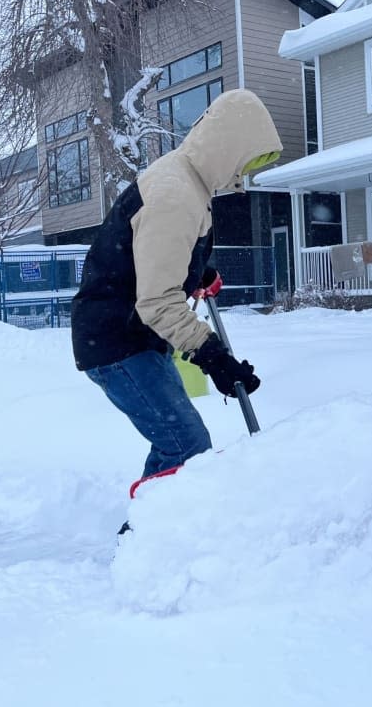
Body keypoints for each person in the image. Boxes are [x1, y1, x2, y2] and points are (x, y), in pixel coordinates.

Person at [71, 88, 281, 482]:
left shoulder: (187, 180)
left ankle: (156, 533)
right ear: (228, 148)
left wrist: (197, 270)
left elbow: (158, 255)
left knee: (178, 441)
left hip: (134, 335)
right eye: (245, 162)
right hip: (117, 341)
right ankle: (147, 540)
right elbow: (156, 302)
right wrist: (212, 355)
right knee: (185, 445)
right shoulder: (174, 194)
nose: (243, 176)